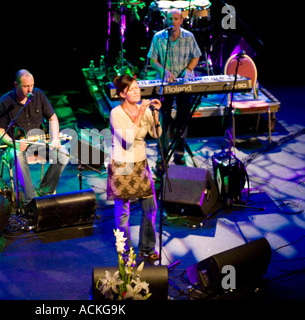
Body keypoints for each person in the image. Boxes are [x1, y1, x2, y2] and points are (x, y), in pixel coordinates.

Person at [0, 69, 69, 207]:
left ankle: (44, 192)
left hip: (39, 143)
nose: (30, 89)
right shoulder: (5, 102)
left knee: (63, 154)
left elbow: (52, 118)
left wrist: (55, 138)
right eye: (25, 86)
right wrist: (13, 143)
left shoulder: (38, 95)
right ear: (16, 85)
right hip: (16, 145)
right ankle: (31, 202)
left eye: (31, 85)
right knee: (17, 156)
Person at [107, 74, 162, 262]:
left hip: (141, 163)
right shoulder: (116, 113)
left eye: (137, 87)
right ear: (123, 94)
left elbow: (156, 134)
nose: (137, 91)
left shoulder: (144, 110)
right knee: (123, 213)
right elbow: (128, 140)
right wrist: (140, 114)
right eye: (132, 89)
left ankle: (147, 247)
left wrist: (155, 114)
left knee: (150, 206)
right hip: (123, 164)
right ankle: (125, 251)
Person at [147, 9, 201, 166]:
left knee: (183, 118)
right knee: (164, 118)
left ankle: (179, 152)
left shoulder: (189, 37)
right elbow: (153, 61)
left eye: (176, 19)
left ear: (181, 21)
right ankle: (162, 154)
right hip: (166, 83)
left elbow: (196, 56)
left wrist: (189, 69)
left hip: (183, 83)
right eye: (170, 19)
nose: (173, 22)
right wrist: (163, 71)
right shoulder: (158, 37)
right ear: (166, 20)